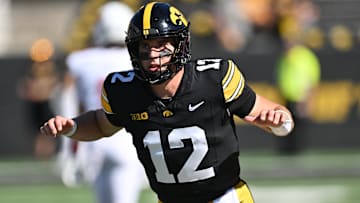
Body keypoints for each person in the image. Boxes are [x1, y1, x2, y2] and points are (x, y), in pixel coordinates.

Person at [40, 2, 294, 203]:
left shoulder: (214, 77)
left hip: (223, 197)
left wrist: (279, 122)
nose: (152, 54)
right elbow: (100, 123)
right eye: (145, 46)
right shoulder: (124, 91)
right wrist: (71, 127)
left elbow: (268, 112)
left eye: (162, 44)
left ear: (180, 45)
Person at [57, 2, 146, 203]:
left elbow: (69, 104)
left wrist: (69, 148)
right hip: (126, 140)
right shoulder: (137, 59)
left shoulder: (79, 60)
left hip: (93, 140)